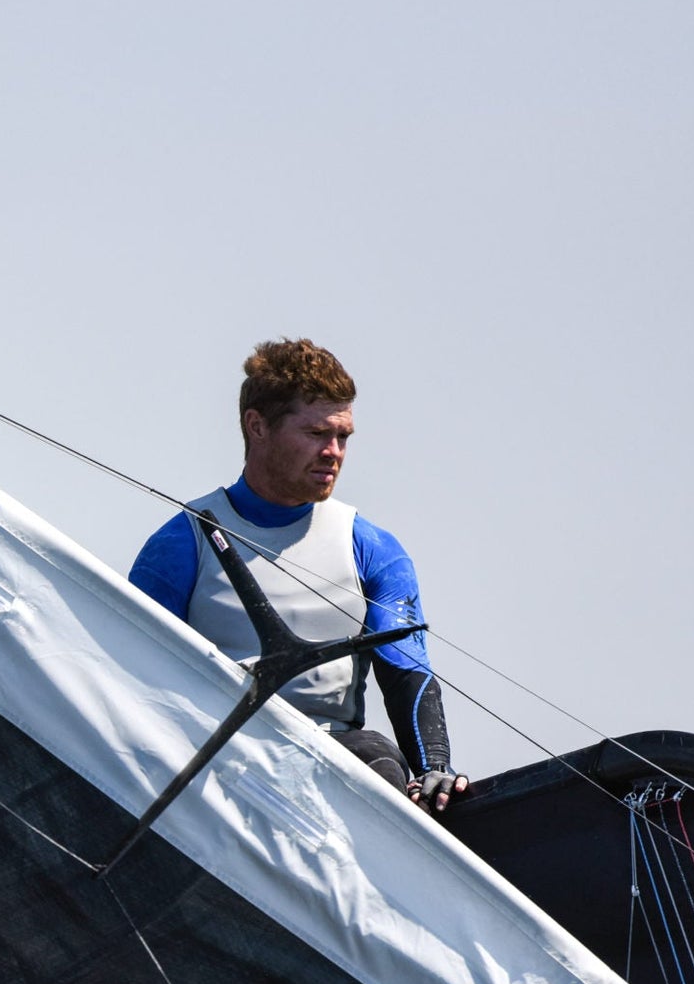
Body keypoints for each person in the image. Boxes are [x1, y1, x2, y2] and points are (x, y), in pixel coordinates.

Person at [129, 339, 467, 811]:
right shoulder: (182, 544)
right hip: (213, 762)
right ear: (257, 426)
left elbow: (406, 672)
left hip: (335, 754)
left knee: (381, 760)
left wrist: (435, 768)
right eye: (316, 433)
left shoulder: (371, 548)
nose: (333, 452)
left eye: (343, 437)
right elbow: (131, 674)